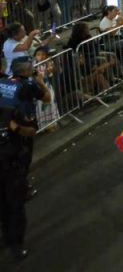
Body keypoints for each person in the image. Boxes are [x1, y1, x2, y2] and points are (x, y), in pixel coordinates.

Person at [0, 60, 50, 259]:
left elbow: (30, 130)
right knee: (5, 204)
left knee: (13, 202)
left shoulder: (10, 111)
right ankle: (8, 237)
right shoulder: (19, 88)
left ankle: (15, 243)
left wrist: (16, 127)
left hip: (12, 159)